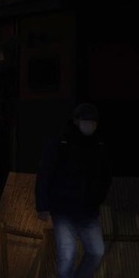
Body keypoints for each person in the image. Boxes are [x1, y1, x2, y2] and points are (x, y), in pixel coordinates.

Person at [35, 103, 112, 278]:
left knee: (96, 251)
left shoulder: (98, 144)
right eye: (86, 120)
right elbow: (45, 172)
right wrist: (42, 205)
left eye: (93, 121)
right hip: (64, 208)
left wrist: (98, 196)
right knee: (67, 255)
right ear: (76, 120)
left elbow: (106, 174)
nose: (90, 125)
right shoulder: (61, 142)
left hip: (88, 209)